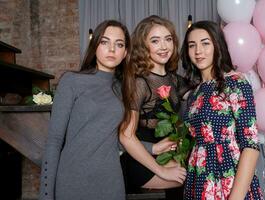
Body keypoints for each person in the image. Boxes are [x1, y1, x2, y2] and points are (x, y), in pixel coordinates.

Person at [39, 20, 130, 200]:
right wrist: (46, 195)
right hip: (72, 181)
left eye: (119, 44)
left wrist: (154, 147)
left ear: (125, 52)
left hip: (110, 183)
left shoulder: (124, 89)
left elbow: (119, 140)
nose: (112, 49)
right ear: (95, 45)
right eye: (104, 42)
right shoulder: (72, 81)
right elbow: (54, 141)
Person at [181, 21, 263, 199]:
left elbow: (250, 146)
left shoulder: (235, 83)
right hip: (199, 178)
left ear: (217, 45)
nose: (198, 51)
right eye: (191, 45)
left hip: (229, 177)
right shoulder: (194, 93)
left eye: (205, 43)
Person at [119, 15, 189, 197]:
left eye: (168, 39)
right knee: (194, 178)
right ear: (144, 46)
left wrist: (227, 75)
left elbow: (204, 96)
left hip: (167, 156)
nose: (164, 46)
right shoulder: (139, 83)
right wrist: (161, 170)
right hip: (144, 163)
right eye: (155, 41)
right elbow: (126, 136)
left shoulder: (175, 80)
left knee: (200, 170)